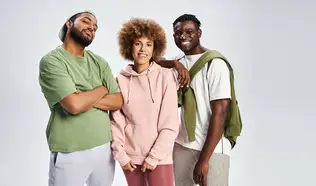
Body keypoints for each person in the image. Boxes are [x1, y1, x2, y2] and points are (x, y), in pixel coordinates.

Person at [154, 13, 242, 186]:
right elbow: (148, 61)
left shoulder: (215, 64)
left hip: (213, 147)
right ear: (174, 36)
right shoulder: (178, 62)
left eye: (189, 31)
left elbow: (220, 113)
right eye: (178, 33)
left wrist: (203, 160)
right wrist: (173, 64)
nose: (183, 36)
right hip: (182, 143)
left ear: (199, 33)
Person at [38, 11, 123, 186]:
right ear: (69, 23)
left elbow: (118, 100)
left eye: (95, 27)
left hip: (104, 148)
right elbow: (74, 105)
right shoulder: (52, 61)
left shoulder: (99, 62)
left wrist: (84, 96)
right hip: (70, 152)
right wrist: (101, 89)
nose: (92, 27)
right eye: (86, 21)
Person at [109, 18, 179, 186]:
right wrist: (121, 155)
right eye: (138, 43)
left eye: (149, 44)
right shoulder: (120, 80)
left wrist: (154, 156)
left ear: (155, 48)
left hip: (160, 158)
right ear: (129, 46)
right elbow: (116, 122)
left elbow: (170, 123)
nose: (143, 49)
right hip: (130, 160)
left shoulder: (165, 76)